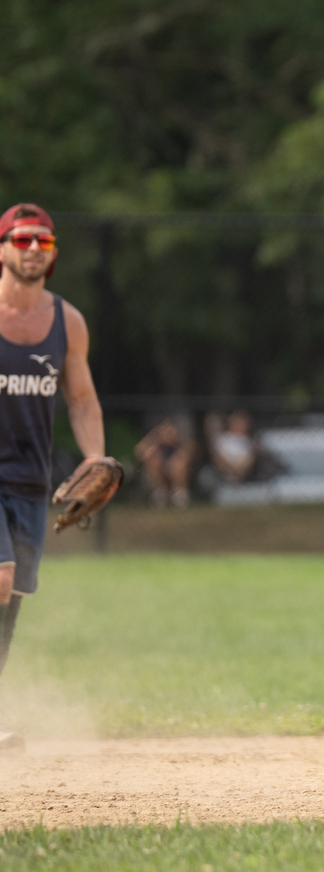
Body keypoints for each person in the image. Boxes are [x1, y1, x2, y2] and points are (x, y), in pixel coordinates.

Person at [0, 204, 109, 751]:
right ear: (2, 249)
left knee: (11, 595)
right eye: (21, 239)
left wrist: (94, 458)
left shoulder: (67, 322)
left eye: (43, 241)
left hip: (30, 480)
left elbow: (83, 400)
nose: (33, 249)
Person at [134, 416, 196, 507]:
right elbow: (139, 454)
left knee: (181, 461)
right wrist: (153, 438)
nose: (167, 434)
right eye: (164, 431)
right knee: (152, 460)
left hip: (176, 475)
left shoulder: (181, 443)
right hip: (160, 478)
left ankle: (179, 494)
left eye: (169, 431)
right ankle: (160, 494)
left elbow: (193, 450)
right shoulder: (155, 445)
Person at [208, 410, 258, 484]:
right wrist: (231, 470)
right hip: (223, 476)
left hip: (245, 476)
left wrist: (241, 472)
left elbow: (250, 461)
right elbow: (218, 459)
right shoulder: (221, 440)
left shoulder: (251, 442)